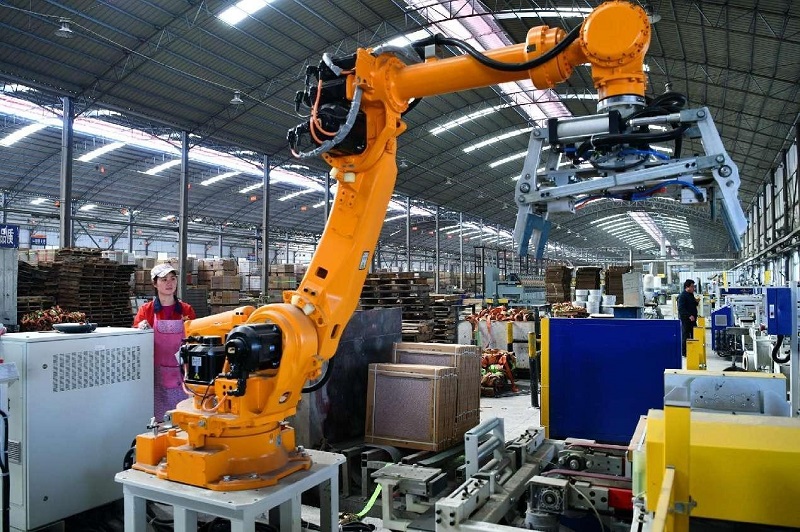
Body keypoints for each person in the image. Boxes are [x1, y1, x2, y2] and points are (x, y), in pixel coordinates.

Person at [133, 263, 196, 421]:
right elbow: (136, 342)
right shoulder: (146, 311)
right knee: (160, 421)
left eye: (173, 279)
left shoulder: (186, 310)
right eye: (164, 279)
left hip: (183, 374)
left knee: (183, 418)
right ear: (155, 283)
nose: (169, 283)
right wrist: (140, 329)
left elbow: (195, 339)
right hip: (156, 375)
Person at [677, 278, 698, 357]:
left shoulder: (691, 295)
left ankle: (692, 350)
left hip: (692, 319)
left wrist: (696, 302)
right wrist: (689, 316)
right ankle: (685, 353)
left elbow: (692, 305)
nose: (694, 288)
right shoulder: (682, 296)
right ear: (687, 287)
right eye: (692, 287)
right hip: (686, 320)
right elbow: (681, 308)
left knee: (694, 335)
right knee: (685, 336)